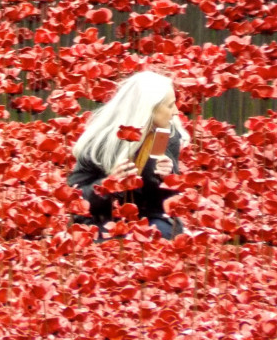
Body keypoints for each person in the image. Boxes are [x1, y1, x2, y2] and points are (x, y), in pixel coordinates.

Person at [67, 70, 188, 240]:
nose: (175, 111)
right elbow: (75, 196)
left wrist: (167, 179)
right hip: (102, 219)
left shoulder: (165, 136)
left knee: (162, 234)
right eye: (169, 106)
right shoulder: (101, 140)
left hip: (150, 220)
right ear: (148, 109)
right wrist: (108, 185)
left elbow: (164, 205)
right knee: (112, 242)